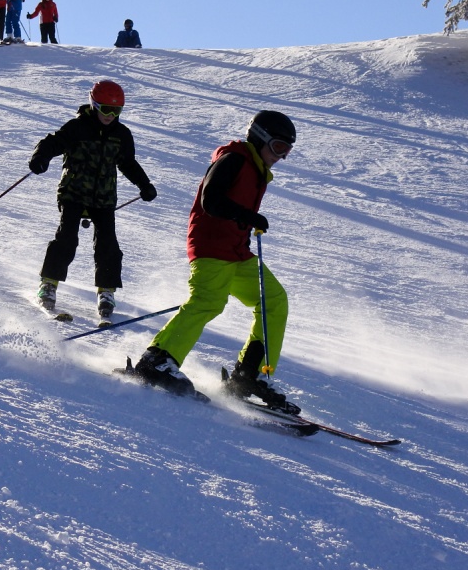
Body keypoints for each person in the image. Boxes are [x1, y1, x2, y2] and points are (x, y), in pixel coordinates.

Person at [134, 110, 298, 409]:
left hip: (236, 252)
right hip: (210, 247)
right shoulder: (234, 158)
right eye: (278, 148)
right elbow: (211, 199)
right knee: (209, 301)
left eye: (287, 151)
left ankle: (250, 374)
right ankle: (158, 361)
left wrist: (245, 225)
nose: (282, 157)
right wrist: (247, 216)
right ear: (260, 139)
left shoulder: (256, 167)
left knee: (273, 300)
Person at [28, 80, 157, 320]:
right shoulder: (78, 127)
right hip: (74, 192)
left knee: (108, 243)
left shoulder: (122, 135)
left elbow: (127, 163)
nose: (110, 115)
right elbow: (52, 143)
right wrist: (40, 157)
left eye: (116, 111)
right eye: (105, 109)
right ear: (93, 104)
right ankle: (48, 283)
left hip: (104, 197)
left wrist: (145, 185)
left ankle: (106, 291)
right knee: (67, 238)